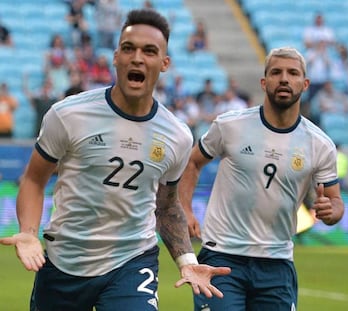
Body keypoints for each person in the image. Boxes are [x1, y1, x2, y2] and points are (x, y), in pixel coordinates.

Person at [0, 9, 230, 311]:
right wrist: (29, 233)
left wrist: (187, 259)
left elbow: (166, 204)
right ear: (115, 57)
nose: (137, 58)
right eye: (128, 48)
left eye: (149, 51)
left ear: (164, 64)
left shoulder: (177, 135)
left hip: (132, 261)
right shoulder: (68, 114)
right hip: (65, 260)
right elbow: (33, 179)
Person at [179, 47, 345, 311]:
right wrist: (185, 209)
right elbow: (192, 161)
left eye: (292, 73)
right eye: (276, 72)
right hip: (222, 255)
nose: (284, 79)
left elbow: (336, 203)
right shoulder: (230, 125)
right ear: (264, 81)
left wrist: (331, 210)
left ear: (305, 84)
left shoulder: (320, 144)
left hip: (277, 262)